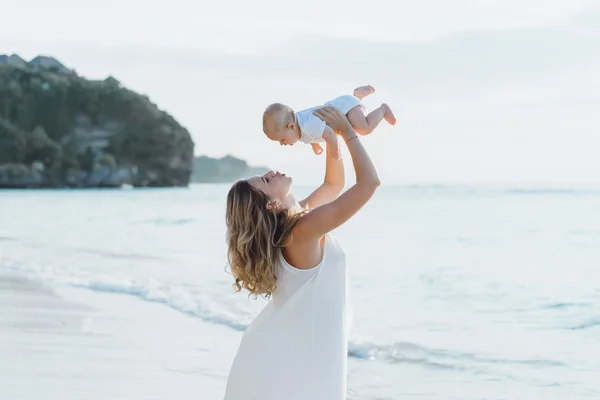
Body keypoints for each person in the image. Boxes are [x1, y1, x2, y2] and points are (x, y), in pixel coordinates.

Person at [224, 106, 380, 400]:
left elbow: (333, 185)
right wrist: (347, 134)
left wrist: (331, 141)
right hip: (305, 359)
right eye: (266, 181)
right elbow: (369, 184)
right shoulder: (302, 232)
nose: (271, 172)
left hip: (293, 354)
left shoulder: (296, 225)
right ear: (270, 205)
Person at [262, 85, 396, 159]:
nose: (282, 144)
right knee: (355, 125)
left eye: (282, 139)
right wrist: (315, 144)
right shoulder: (298, 127)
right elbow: (312, 134)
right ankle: (357, 95)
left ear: (290, 126)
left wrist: (334, 152)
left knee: (364, 128)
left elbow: (329, 134)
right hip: (342, 106)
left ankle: (382, 109)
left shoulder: (307, 126)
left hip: (346, 109)